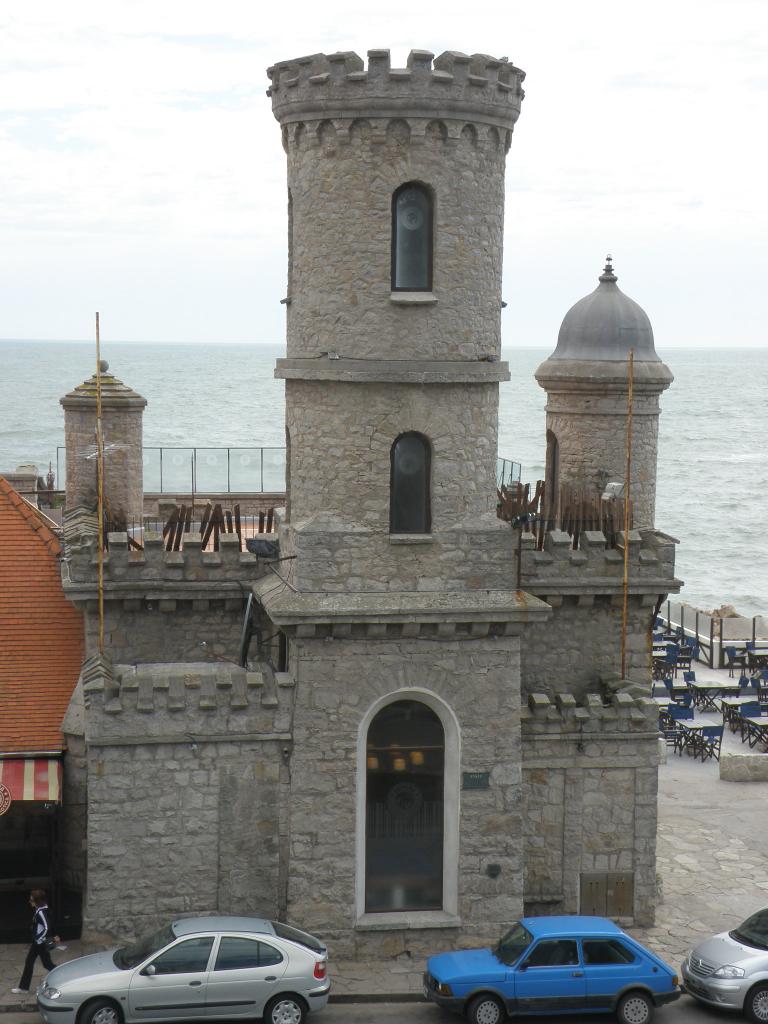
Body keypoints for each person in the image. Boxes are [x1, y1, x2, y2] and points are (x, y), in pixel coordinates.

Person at [11, 890, 62, 995]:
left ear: (37, 900)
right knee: (39, 963)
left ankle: (63, 976)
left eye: (31, 899)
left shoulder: (41, 912)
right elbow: (51, 924)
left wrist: (39, 938)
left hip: (40, 943)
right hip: (38, 943)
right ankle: (23, 988)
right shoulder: (42, 909)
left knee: (43, 964)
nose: (30, 901)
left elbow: (47, 927)